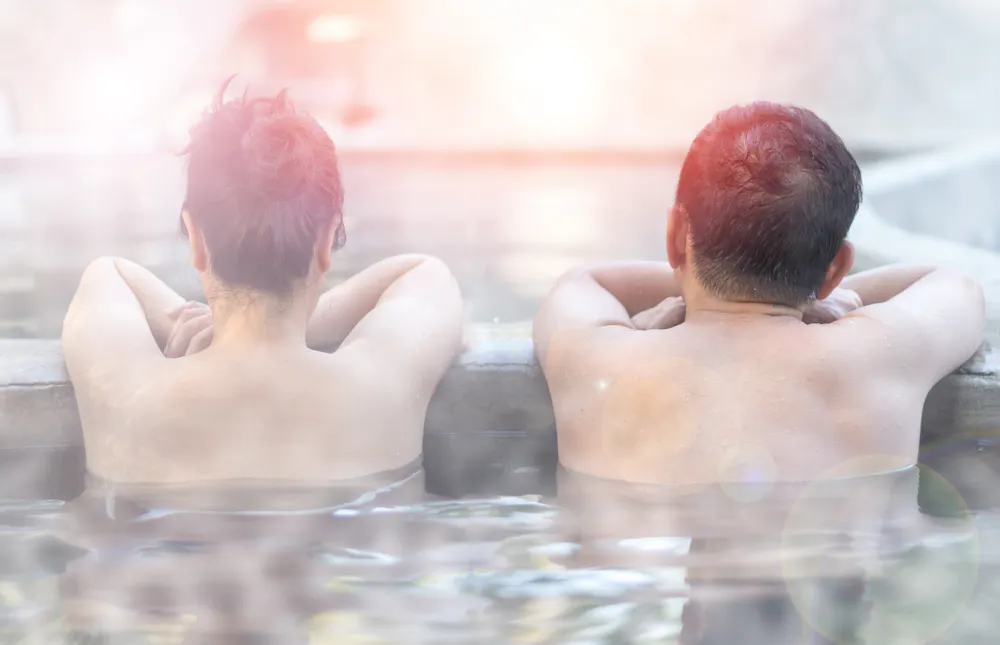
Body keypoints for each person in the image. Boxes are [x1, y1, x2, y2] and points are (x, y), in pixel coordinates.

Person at [534, 102, 986, 485]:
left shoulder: (600, 363)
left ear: (674, 237)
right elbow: (956, 284)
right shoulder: (876, 356)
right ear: (836, 269)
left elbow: (582, 281)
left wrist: (699, 280)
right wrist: (812, 295)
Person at [62, 81, 464, 484]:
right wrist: (289, 318)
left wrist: (227, 322)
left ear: (195, 238)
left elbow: (108, 272)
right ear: (326, 242)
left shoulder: (126, 395)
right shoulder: (379, 388)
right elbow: (426, 274)